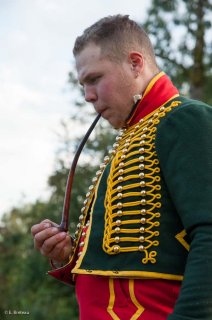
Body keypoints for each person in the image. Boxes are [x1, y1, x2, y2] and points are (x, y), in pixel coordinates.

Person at [31, 15, 212, 320]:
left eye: (94, 79)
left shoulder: (183, 119)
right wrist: (69, 254)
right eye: (83, 84)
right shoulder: (132, 135)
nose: (88, 96)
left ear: (135, 64)